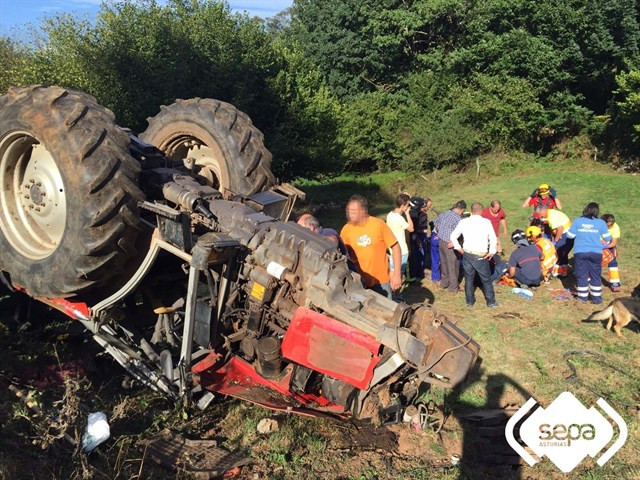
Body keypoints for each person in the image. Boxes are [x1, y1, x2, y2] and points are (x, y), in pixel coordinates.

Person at [340, 195, 402, 298]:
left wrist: (396, 274)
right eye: (349, 211)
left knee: (385, 311)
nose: (350, 214)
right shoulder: (346, 229)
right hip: (359, 282)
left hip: (381, 281)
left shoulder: (378, 224)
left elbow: (395, 247)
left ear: (364, 211)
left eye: (353, 211)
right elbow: (342, 254)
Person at [450, 202, 499, 308]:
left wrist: (458, 247)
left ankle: (470, 301)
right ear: (481, 210)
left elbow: (453, 236)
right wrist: (491, 251)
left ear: (471, 210)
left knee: (469, 279)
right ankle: (491, 301)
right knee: (486, 279)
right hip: (480, 255)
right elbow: (493, 237)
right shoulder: (486, 222)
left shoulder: (463, 222)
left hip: (467, 253)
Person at [565, 203, 612, 304]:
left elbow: (570, 236)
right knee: (595, 275)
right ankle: (597, 299)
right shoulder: (601, 223)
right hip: (596, 252)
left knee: (582, 275)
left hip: (580, 252)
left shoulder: (578, 221)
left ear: (585, 209)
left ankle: (582, 299)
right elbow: (608, 238)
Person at [433, 200, 467, 293]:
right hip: (450, 244)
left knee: (443, 263)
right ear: (462, 210)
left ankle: (444, 283)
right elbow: (460, 233)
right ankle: (453, 287)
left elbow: (435, 222)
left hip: (441, 241)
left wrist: (441, 231)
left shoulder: (445, 213)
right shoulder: (458, 219)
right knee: (453, 265)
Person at [535, 205, 573, 276]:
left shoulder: (552, 217)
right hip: (567, 232)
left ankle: (558, 271)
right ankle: (563, 270)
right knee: (563, 253)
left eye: (540, 214)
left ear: (543, 211)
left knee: (558, 251)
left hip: (565, 233)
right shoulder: (551, 214)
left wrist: (555, 241)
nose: (541, 216)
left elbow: (560, 229)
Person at [386, 194, 414, 280]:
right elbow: (411, 228)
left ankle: (391, 290)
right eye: (407, 205)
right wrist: (408, 214)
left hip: (392, 247)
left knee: (392, 270)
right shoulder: (399, 218)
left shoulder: (390, 214)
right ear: (402, 206)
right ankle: (397, 292)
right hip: (401, 250)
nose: (408, 207)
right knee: (399, 273)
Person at [408, 196, 429, 279]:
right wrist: (417, 238)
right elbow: (412, 229)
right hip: (413, 237)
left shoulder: (416, 214)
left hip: (416, 235)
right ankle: (414, 275)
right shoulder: (411, 215)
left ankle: (419, 272)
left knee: (419, 255)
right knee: (415, 256)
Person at [601, 214, 621, 292]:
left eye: (610, 226)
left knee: (613, 263)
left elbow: (613, 243)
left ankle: (615, 283)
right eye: (607, 226)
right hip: (597, 246)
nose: (609, 227)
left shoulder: (615, 227)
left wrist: (605, 245)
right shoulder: (597, 225)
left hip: (610, 247)